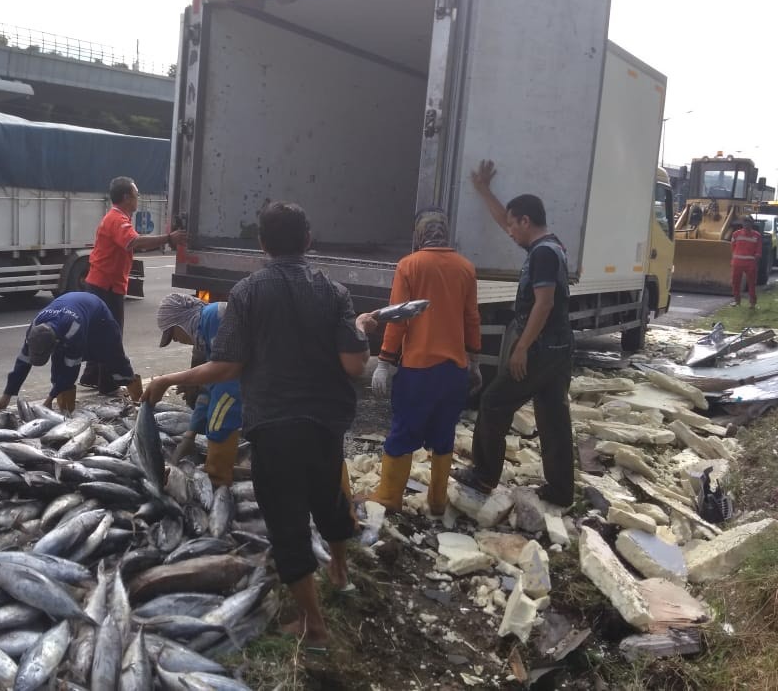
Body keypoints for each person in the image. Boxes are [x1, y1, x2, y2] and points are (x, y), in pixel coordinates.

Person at [142, 201, 369, 651]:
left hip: (275, 424)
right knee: (329, 497)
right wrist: (361, 328)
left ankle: (315, 627)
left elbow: (226, 367)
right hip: (326, 421)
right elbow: (354, 366)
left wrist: (169, 378)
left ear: (262, 244)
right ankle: (340, 573)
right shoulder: (335, 292)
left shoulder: (246, 293)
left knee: (287, 523)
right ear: (308, 241)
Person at [456, 160, 575, 508]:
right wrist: (484, 192)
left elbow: (544, 303)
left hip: (539, 347)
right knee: (553, 415)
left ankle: (482, 475)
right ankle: (560, 490)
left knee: (494, 403)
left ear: (526, 221)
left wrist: (521, 348)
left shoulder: (542, 255)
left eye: (513, 224)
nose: (508, 231)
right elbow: (503, 220)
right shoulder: (550, 246)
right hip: (560, 347)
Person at [356, 208, 481, 515]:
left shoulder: (409, 265)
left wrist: (384, 361)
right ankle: (437, 501)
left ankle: (388, 497)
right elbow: (471, 318)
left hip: (419, 370)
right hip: (454, 371)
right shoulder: (466, 267)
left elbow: (398, 316)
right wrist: (474, 361)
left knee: (403, 432)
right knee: (443, 433)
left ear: (419, 234)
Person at [79, 176, 186, 393]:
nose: (139, 198)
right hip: (106, 287)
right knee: (111, 334)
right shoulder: (117, 219)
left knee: (102, 331)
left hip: (102, 284)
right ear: (127, 197)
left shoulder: (117, 217)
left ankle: (91, 376)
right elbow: (133, 242)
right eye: (137, 194)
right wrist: (169, 238)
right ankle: (110, 384)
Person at [0, 292, 138, 414]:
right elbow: (22, 362)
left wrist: (49, 399)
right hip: (70, 311)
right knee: (58, 368)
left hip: (98, 316)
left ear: (56, 343)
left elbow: (71, 370)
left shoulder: (73, 330)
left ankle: (140, 401)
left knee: (114, 358)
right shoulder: (34, 329)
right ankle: (66, 412)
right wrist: (7, 394)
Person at [155, 293, 242, 486]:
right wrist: (190, 434)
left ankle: (219, 480)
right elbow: (209, 387)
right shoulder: (207, 333)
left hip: (283, 374)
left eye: (172, 333)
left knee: (221, 413)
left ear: (182, 321)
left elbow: (227, 386)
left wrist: (165, 381)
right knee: (218, 406)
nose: (175, 340)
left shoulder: (214, 317)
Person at [731, 215, 762, 308]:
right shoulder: (736, 234)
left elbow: (758, 251)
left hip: (750, 264)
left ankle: (752, 303)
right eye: (745, 221)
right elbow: (733, 247)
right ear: (742, 223)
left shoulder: (757, 236)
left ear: (752, 223)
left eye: (748, 221)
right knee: (735, 283)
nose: (746, 223)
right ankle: (737, 301)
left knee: (751, 284)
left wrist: (755, 262)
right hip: (737, 263)